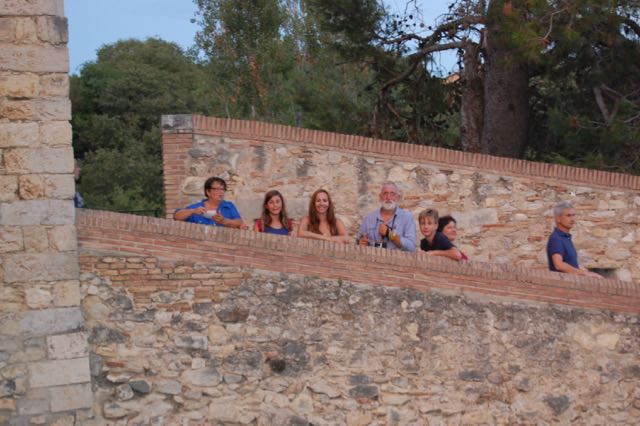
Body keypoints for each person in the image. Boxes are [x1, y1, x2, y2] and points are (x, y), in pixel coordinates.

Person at [546, 201, 600, 277]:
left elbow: (572, 264)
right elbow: (559, 265)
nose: (572, 219)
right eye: (568, 216)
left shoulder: (566, 238)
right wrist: (584, 273)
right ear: (558, 218)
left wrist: (588, 273)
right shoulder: (556, 238)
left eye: (573, 215)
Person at [357, 182, 416, 251]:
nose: (388, 197)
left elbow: (411, 247)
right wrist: (361, 243)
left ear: (398, 197)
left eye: (392, 194)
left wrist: (389, 234)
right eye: (385, 193)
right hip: (372, 257)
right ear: (380, 197)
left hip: (397, 258)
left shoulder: (407, 218)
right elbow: (358, 241)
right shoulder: (369, 219)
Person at [174, 176, 244, 228]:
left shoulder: (228, 206)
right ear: (208, 192)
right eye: (217, 189)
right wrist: (192, 211)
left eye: (223, 189)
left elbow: (239, 222)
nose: (221, 192)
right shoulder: (197, 207)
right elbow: (177, 216)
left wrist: (224, 221)